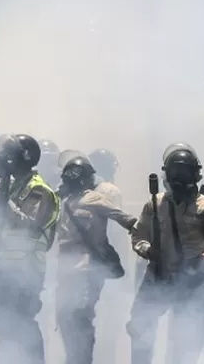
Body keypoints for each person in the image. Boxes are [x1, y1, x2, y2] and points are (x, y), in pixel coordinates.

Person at [127, 145, 204, 364]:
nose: (179, 180)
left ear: (195, 175)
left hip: (192, 279)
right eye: (175, 174)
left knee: (186, 338)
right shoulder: (154, 204)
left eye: (184, 174)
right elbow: (138, 236)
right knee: (139, 326)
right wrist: (148, 250)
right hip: (159, 274)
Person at [0, 134, 59, 364]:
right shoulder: (15, 186)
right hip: (5, 270)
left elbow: (29, 225)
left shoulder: (39, 189)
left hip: (26, 271)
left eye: (8, 156)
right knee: (1, 325)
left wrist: (2, 201)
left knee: (23, 326)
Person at [55, 156, 137, 364]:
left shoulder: (94, 198)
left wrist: (141, 232)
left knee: (81, 318)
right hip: (66, 270)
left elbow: (122, 217)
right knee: (65, 318)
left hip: (88, 269)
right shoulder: (65, 200)